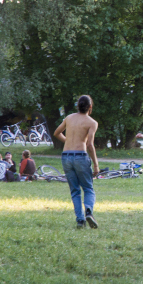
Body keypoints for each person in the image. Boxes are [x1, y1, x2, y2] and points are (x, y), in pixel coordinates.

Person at [53, 95, 100, 229]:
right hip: (80, 156)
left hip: (66, 156)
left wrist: (68, 141)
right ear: (90, 107)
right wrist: (96, 164)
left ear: (77, 106)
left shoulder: (69, 118)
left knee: (74, 190)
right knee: (88, 188)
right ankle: (89, 211)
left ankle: (80, 220)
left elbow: (56, 133)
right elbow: (90, 145)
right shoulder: (92, 122)